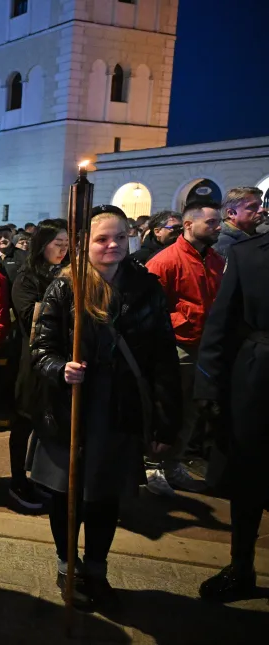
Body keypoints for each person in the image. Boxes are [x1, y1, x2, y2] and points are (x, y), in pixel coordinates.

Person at [30, 206, 180, 610]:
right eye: (102, 239)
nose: (112, 245)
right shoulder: (65, 286)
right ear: (84, 244)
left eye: (120, 237)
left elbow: (163, 359)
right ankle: (67, 564)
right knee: (66, 496)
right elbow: (41, 347)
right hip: (70, 408)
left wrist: (165, 422)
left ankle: (97, 568)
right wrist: (61, 368)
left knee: (104, 496)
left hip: (119, 409)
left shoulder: (146, 288)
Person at [194, 232, 269, 603]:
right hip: (257, 381)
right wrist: (208, 386)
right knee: (248, 480)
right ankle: (241, 566)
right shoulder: (248, 255)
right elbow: (221, 324)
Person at [144, 200, 223, 495]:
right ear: (189, 225)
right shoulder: (165, 261)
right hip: (177, 346)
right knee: (165, 407)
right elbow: (150, 308)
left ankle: (172, 463)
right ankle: (151, 465)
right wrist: (183, 321)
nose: (218, 227)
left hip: (205, 346)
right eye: (211, 222)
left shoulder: (214, 259)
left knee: (191, 408)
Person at [9, 220, 69, 510]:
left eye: (67, 244)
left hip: (62, 360)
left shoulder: (70, 273)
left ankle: (46, 479)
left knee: (52, 423)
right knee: (24, 423)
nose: (63, 249)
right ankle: (17, 480)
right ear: (42, 244)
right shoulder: (27, 277)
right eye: (58, 243)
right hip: (32, 361)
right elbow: (28, 315)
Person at [213, 187, 266, 259]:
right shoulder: (222, 245)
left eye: (260, 205)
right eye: (253, 206)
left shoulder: (259, 235)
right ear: (231, 213)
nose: (261, 209)